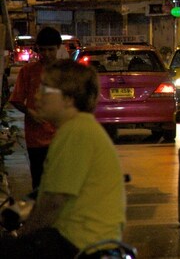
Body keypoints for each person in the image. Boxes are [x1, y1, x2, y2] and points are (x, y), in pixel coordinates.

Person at [0, 59, 126, 257]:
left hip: (80, 244)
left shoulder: (76, 132)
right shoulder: (77, 128)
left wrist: (24, 237)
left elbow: (54, 202)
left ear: (68, 98)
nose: (36, 96)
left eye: (45, 90)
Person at [10, 27, 61, 190]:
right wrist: (30, 112)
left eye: (51, 50)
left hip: (62, 136)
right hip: (36, 137)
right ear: (37, 49)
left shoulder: (66, 72)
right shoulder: (28, 71)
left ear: (58, 48)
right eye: (43, 50)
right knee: (39, 182)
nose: (46, 54)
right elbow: (16, 99)